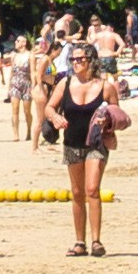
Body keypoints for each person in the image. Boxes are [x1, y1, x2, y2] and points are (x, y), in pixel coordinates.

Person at [47, 45, 117, 257]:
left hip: (96, 144)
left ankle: (96, 241)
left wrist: (108, 120)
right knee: (77, 193)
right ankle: (80, 241)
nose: (76, 63)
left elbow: (118, 114)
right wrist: (55, 117)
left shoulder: (106, 86)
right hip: (72, 143)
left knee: (92, 189)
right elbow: (49, 107)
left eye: (80, 59)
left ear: (91, 60)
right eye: (73, 59)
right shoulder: (64, 84)